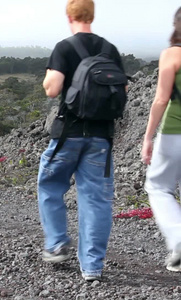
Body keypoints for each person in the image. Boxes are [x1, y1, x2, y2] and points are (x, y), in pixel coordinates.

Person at [37, 0, 125, 282]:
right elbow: (122, 88)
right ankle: (92, 268)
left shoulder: (65, 47)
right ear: (92, 15)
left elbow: (52, 89)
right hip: (102, 136)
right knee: (96, 201)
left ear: (69, 15)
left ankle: (57, 243)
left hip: (69, 134)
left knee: (50, 185)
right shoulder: (109, 49)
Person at [141, 7, 181, 272]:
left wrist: (148, 137)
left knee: (158, 187)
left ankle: (179, 241)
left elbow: (161, 99)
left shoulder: (172, 54)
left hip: (175, 132)